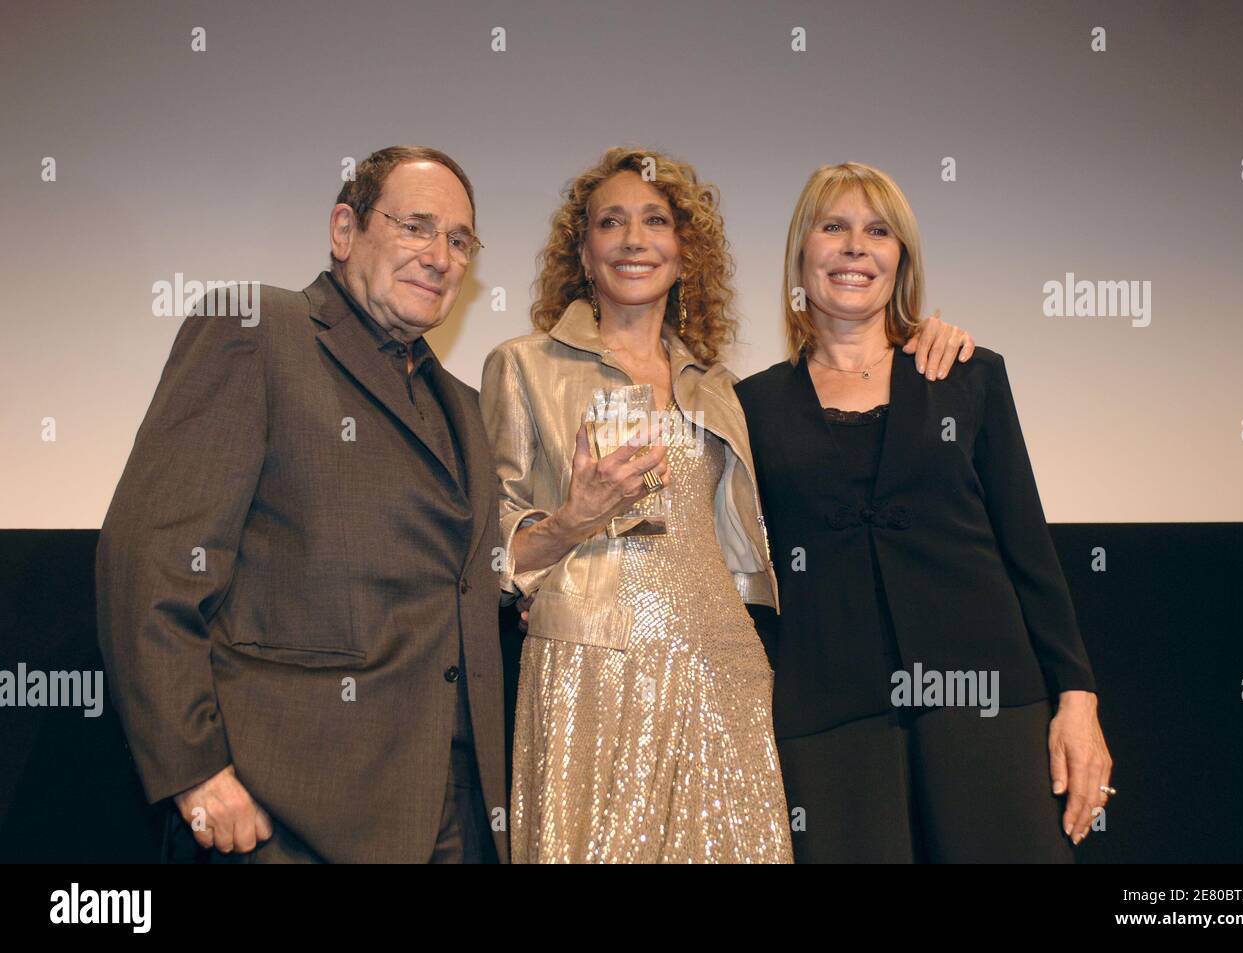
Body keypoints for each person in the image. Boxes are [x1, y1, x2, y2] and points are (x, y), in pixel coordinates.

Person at [483, 146, 966, 862]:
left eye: (655, 221)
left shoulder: (721, 389)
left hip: (725, 674)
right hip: (593, 670)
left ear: (685, 253)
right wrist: (570, 522)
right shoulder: (521, 365)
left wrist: (920, 331)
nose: (634, 239)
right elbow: (492, 556)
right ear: (583, 252)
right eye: (610, 222)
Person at [96, 146, 506, 863]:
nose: (440, 256)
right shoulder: (256, 330)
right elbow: (149, 562)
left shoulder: (466, 411)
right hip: (283, 822)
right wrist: (194, 771)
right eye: (416, 226)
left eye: (460, 239)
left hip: (452, 819)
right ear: (344, 230)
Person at [735, 162, 1115, 863]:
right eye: (834, 227)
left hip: (988, 703)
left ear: (900, 258)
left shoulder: (967, 374)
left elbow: (1027, 550)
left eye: (878, 231)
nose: (855, 247)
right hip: (827, 723)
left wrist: (1077, 696)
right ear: (801, 252)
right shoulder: (749, 407)